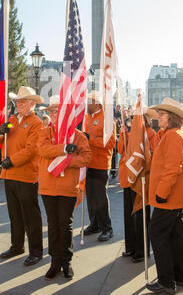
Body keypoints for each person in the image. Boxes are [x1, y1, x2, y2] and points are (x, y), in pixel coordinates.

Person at [37, 95, 92, 280]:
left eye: (55, 111)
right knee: (52, 225)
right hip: (48, 186)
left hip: (68, 186)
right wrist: (63, 149)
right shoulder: (45, 132)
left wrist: (68, 161)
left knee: (65, 224)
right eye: (50, 112)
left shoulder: (78, 135)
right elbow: (43, 150)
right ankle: (55, 261)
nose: (52, 115)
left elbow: (86, 157)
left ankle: (66, 261)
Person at [0, 86, 44, 267]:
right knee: (14, 214)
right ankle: (17, 246)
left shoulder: (37, 123)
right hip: (10, 174)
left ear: (31, 104)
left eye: (22, 101)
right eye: (18, 101)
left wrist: (11, 161)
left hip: (25, 174)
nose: (19, 103)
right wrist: (1, 132)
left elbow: (31, 150)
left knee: (30, 215)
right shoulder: (13, 119)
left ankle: (36, 251)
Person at [146, 98, 183, 295]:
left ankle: (166, 281)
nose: (158, 117)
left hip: (169, 199)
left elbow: (172, 168)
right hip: (175, 198)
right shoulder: (173, 134)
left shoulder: (173, 136)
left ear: (171, 118)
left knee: (158, 235)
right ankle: (178, 276)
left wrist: (161, 194)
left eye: (161, 114)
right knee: (175, 237)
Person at [119, 108, 157, 262]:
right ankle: (131, 247)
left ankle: (141, 251)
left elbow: (152, 156)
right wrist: (123, 135)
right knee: (129, 215)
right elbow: (121, 150)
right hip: (127, 178)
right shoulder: (130, 134)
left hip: (141, 180)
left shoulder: (151, 134)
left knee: (140, 216)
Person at [84, 91, 116, 242]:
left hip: (101, 163)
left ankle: (107, 229)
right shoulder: (87, 118)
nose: (87, 104)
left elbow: (110, 143)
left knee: (100, 197)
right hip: (88, 162)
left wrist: (90, 140)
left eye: (89, 101)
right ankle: (94, 224)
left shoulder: (107, 119)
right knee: (91, 196)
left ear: (97, 103)